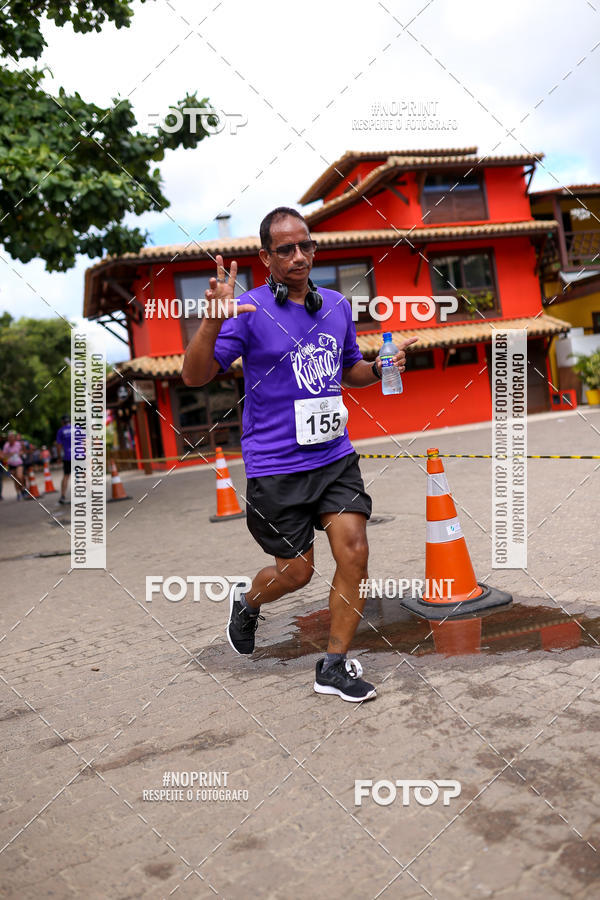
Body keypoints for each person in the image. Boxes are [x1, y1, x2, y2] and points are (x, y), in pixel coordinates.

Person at [182, 207, 416, 702]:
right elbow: (194, 377)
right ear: (265, 257)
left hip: (334, 457)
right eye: (285, 249)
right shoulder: (246, 310)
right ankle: (247, 604)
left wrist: (379, 368)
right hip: (275, 466)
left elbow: (348, 369)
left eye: (305, 245)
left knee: (354, 549)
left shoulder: (335, 305)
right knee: (296, 572)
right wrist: (210, 322)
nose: (298, 256)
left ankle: (333, 665)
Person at [2, 431, 25, 500]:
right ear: (8, 439)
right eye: (9, 438)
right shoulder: (6, 445)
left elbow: (22, 451)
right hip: (11, 464)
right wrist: (10, 454)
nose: (11, 439)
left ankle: (22, 489)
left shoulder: (18, 444)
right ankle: (18, 493)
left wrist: (20, 453)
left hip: (18, 463)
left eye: (12, 437)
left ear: (14, 438)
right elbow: (4, 456)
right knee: (15, 480)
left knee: (19, 476)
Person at [56, 415, 72, 504]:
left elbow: (58, 446)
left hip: (68, 456)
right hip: (79, 455)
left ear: (62, 422)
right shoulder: (77, 428)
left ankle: (62, 496)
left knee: (66, 476)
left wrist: (58, 457)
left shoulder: (61, 431)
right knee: (83, 475)